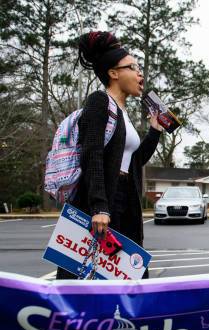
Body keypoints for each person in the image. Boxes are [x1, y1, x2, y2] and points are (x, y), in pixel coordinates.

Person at [56, 31, 162, 280]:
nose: (140, 74)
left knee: (127, 272)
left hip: (125, 199)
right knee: (84, 274)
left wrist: (155, 131)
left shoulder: (123, 114)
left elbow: (135, 161)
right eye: (133, 67)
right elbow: (91, 155)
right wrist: (100, 207)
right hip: (104, 199)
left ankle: (124, 319)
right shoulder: (99, 102)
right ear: (114, 73)